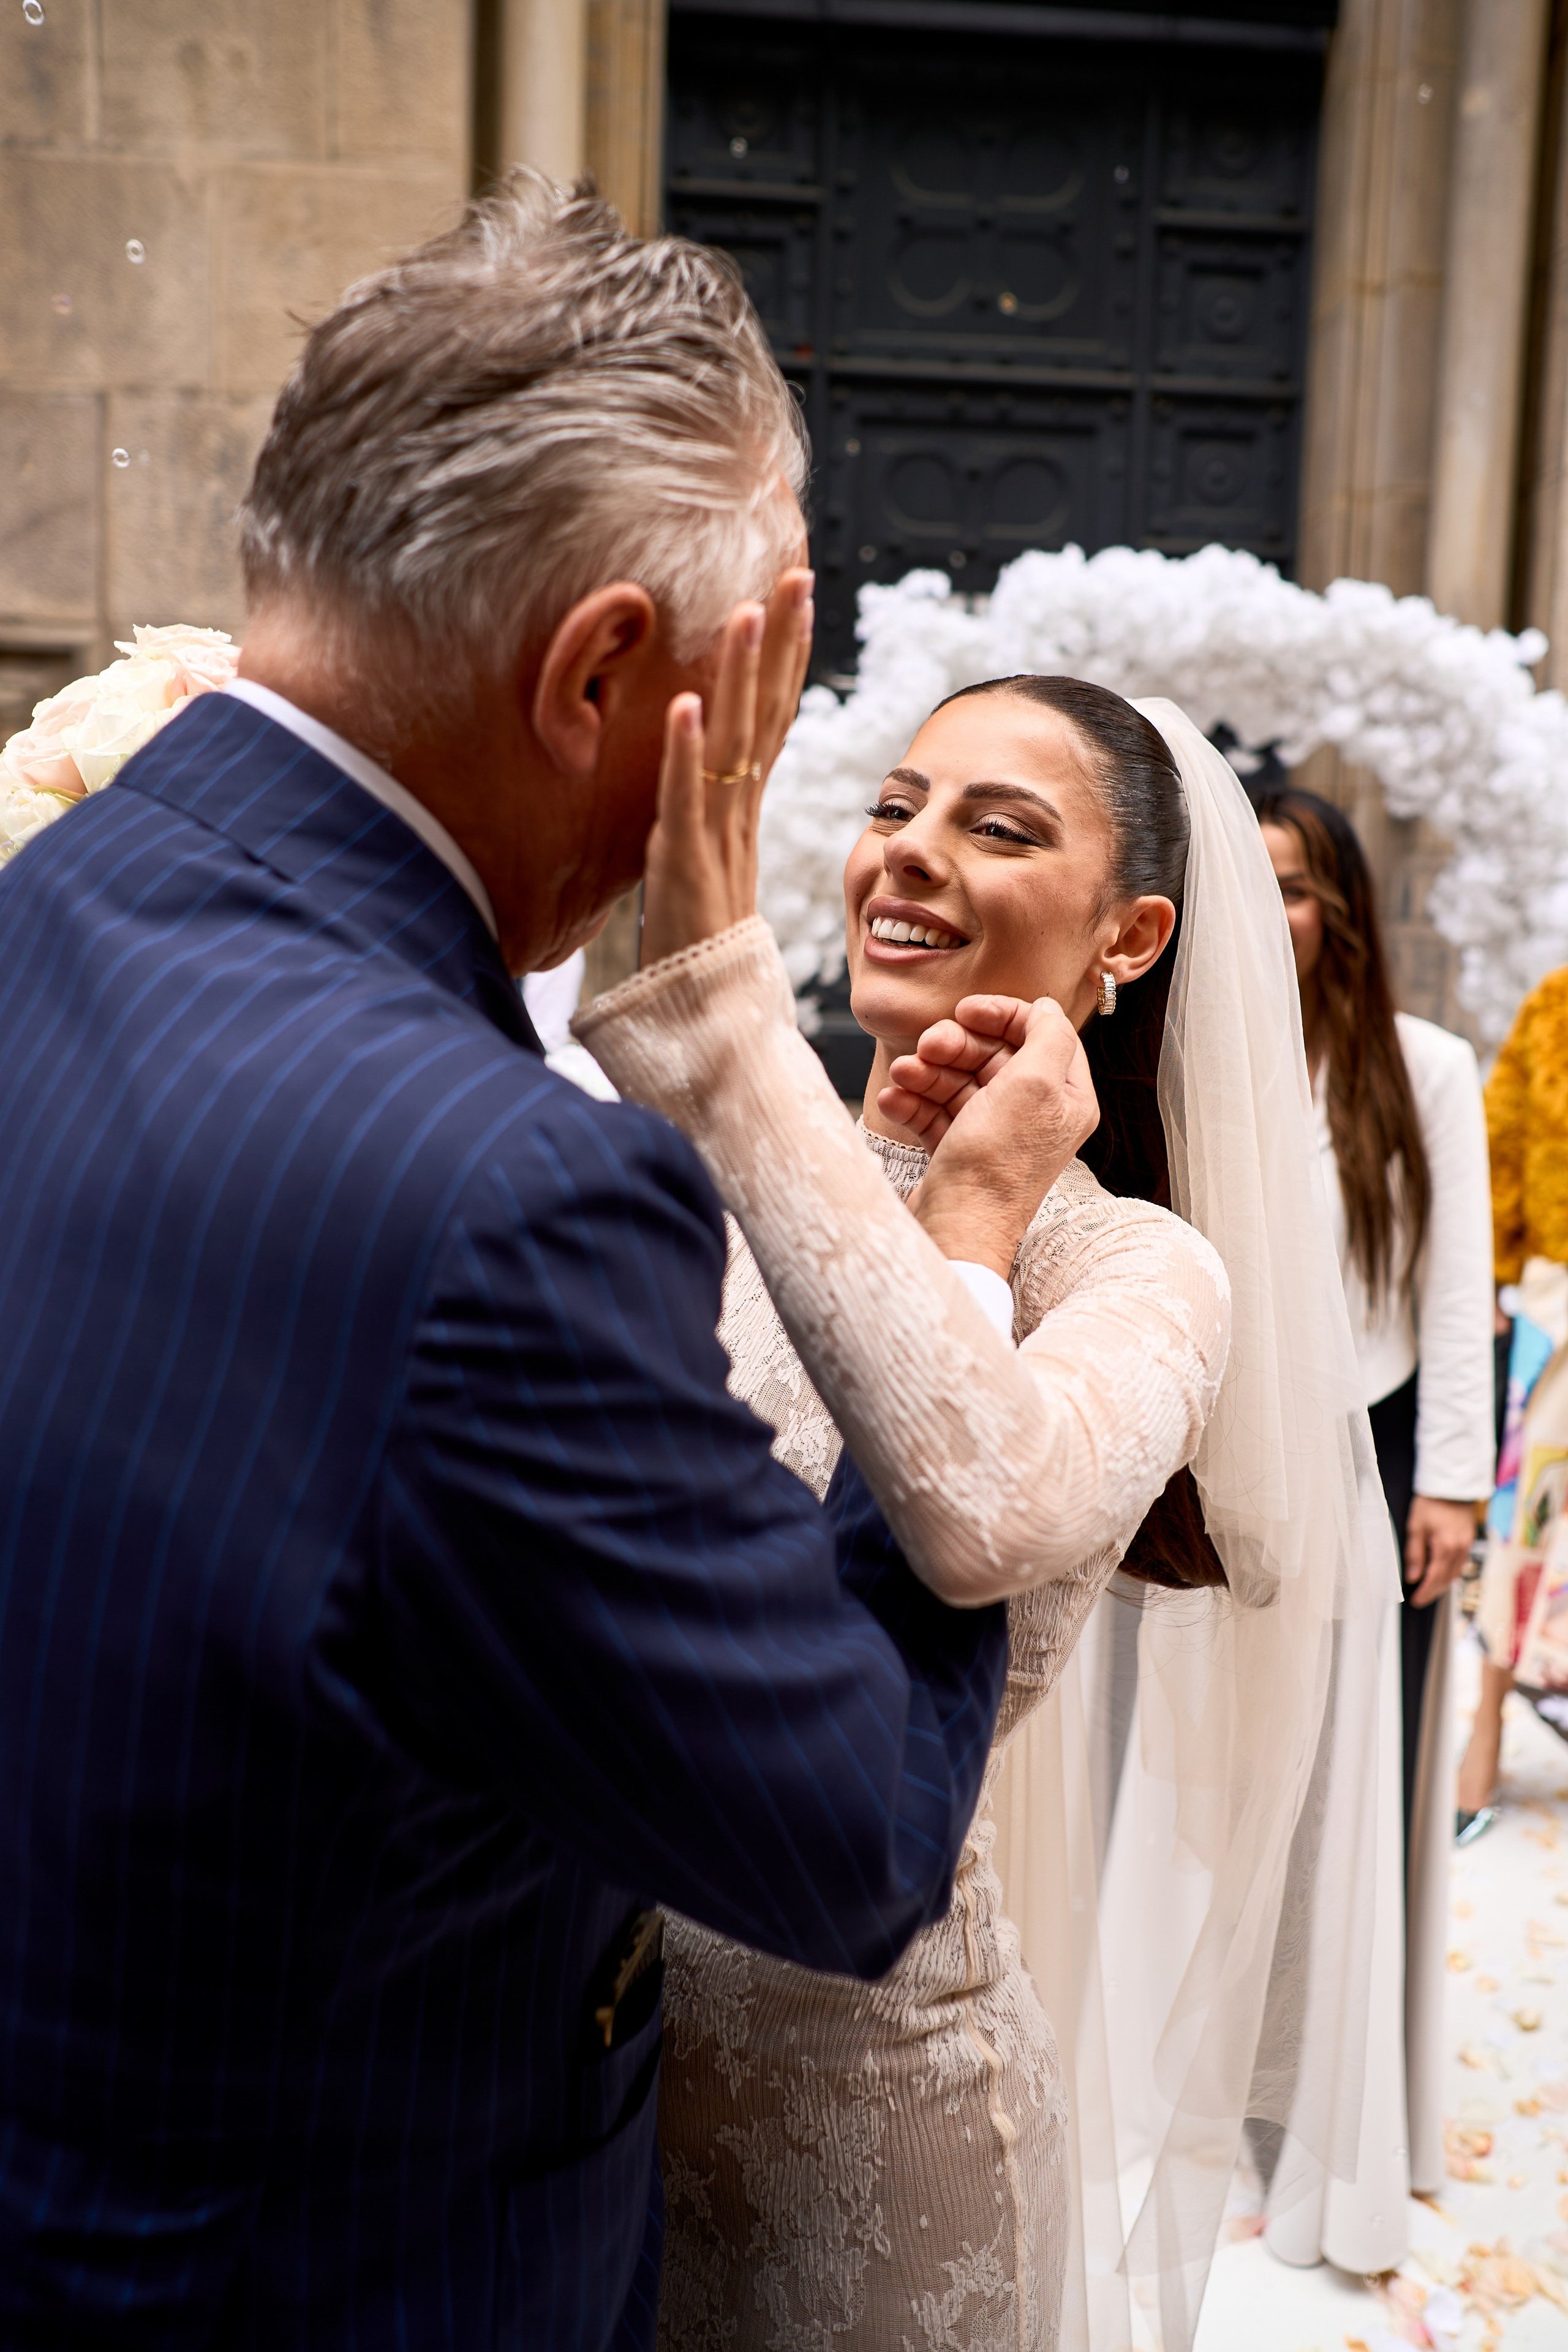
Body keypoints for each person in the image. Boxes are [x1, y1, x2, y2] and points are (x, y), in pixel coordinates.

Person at [0, 177, 1195, 2348]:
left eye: (1000, 823)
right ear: (601, 677)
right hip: (350, 2255)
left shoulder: (40, 923)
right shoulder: (516, 1193)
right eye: (767, 709)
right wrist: (871, 1170)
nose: (870, 829)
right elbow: (842, 1822)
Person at [643, 680, 1396, 2352]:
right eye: (898, 807)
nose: (909, 858)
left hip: (868, 2110)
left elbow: (976, 1514)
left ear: (1126, 936)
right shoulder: (768, 1175)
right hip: (617, 2068)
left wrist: (976, 1205)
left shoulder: (1142, 1271)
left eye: (997, 828)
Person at [1253, 785, 1493, 2237]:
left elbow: (1455, 1293)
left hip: (1384, 1455)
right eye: (1249, 887)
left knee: (1361, 1785)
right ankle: (1226, 2079)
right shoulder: (1172, 1063)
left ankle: (1337, 2106)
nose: (1271, 918)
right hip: (1226, 1477)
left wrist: (1452, 1483)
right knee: (1236, 1784)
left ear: (1335, 916)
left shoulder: (1426, 1068)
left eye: (1295, 891)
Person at [1457, 962, 1568, 1826]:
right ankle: (1486, 1726)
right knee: (1527, 1512)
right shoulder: (1556, 1003)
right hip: (1558, 1301)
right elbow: (1501, 1148)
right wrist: (1492, 1280)